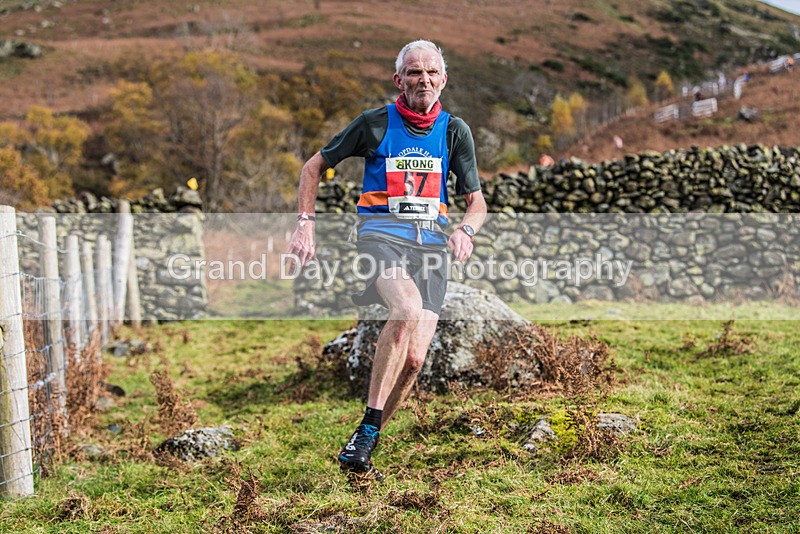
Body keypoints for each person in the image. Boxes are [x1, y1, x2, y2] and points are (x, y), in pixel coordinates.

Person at [286, 40, 487, 480]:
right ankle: (369, 428)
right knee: (406, 308)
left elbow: (477, 202)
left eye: (432, 72)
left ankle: (365, 439)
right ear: (399, 80)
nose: (424, 80)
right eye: (414, 72)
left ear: (444, 80)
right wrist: (305, 222)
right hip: (381, 239)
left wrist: (466, 230)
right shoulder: (375, 123)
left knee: (415, 359)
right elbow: (312, 166)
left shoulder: (455, 132)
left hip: (431, 248)